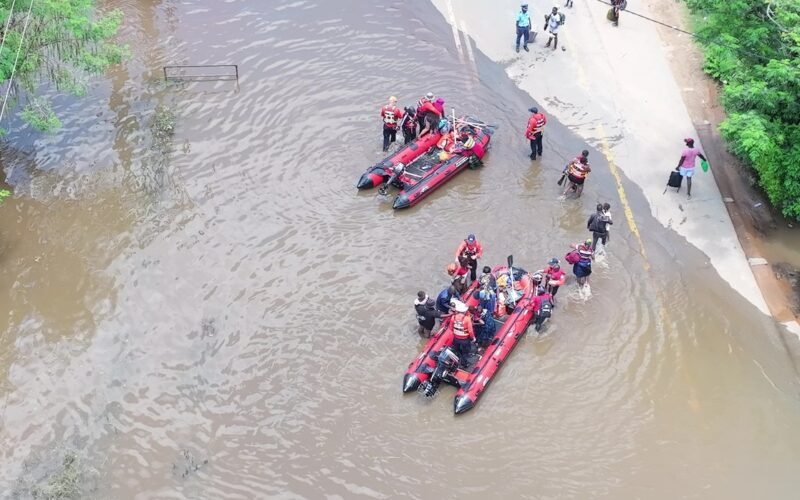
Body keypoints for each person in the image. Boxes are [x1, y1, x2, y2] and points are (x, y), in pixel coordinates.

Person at [450, 301, 475, 367]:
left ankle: (456, 360)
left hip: (456, 339)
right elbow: (470, 331)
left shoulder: (453, 317)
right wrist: (473, 338)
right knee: (465, 352)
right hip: (465, 340)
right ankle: (464, 363)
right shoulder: (467, 319)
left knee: (457, 349)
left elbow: (451, 328)